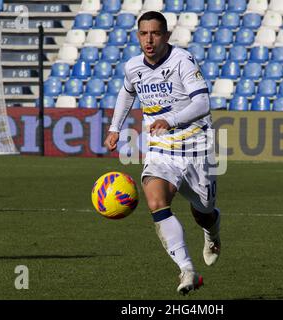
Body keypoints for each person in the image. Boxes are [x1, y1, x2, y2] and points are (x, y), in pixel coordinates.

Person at [104, 11, 221, 295]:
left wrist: (171, 120)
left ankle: (212, 230)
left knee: (204, 210)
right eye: (144, 34)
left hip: (195, 146)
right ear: (138, 36)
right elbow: (127, 92)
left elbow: (203, 102)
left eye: (155, 33)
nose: (149, 39)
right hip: (160, 148)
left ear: (166, 36)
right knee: (156, 201)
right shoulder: (133, 67)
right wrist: (115, 127)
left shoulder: (182, 60)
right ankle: (187, 269)